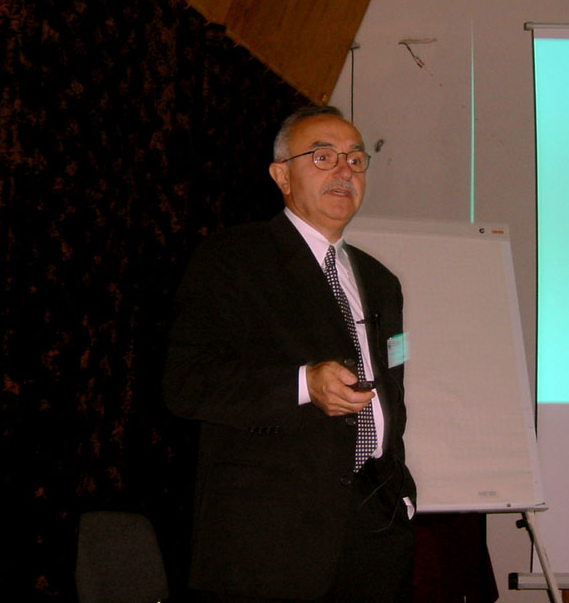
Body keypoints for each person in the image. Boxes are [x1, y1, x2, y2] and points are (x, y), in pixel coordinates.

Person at [164, 106, 416, 602]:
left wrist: (401, 494)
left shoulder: (381, 280)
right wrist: (304, 384)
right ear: (281, 176)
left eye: (355, 160)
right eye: (323, 157)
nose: (344, 171)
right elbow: (186, 383)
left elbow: (392, 399)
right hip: (272, 536)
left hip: (376, 524)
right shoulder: (233, 258)